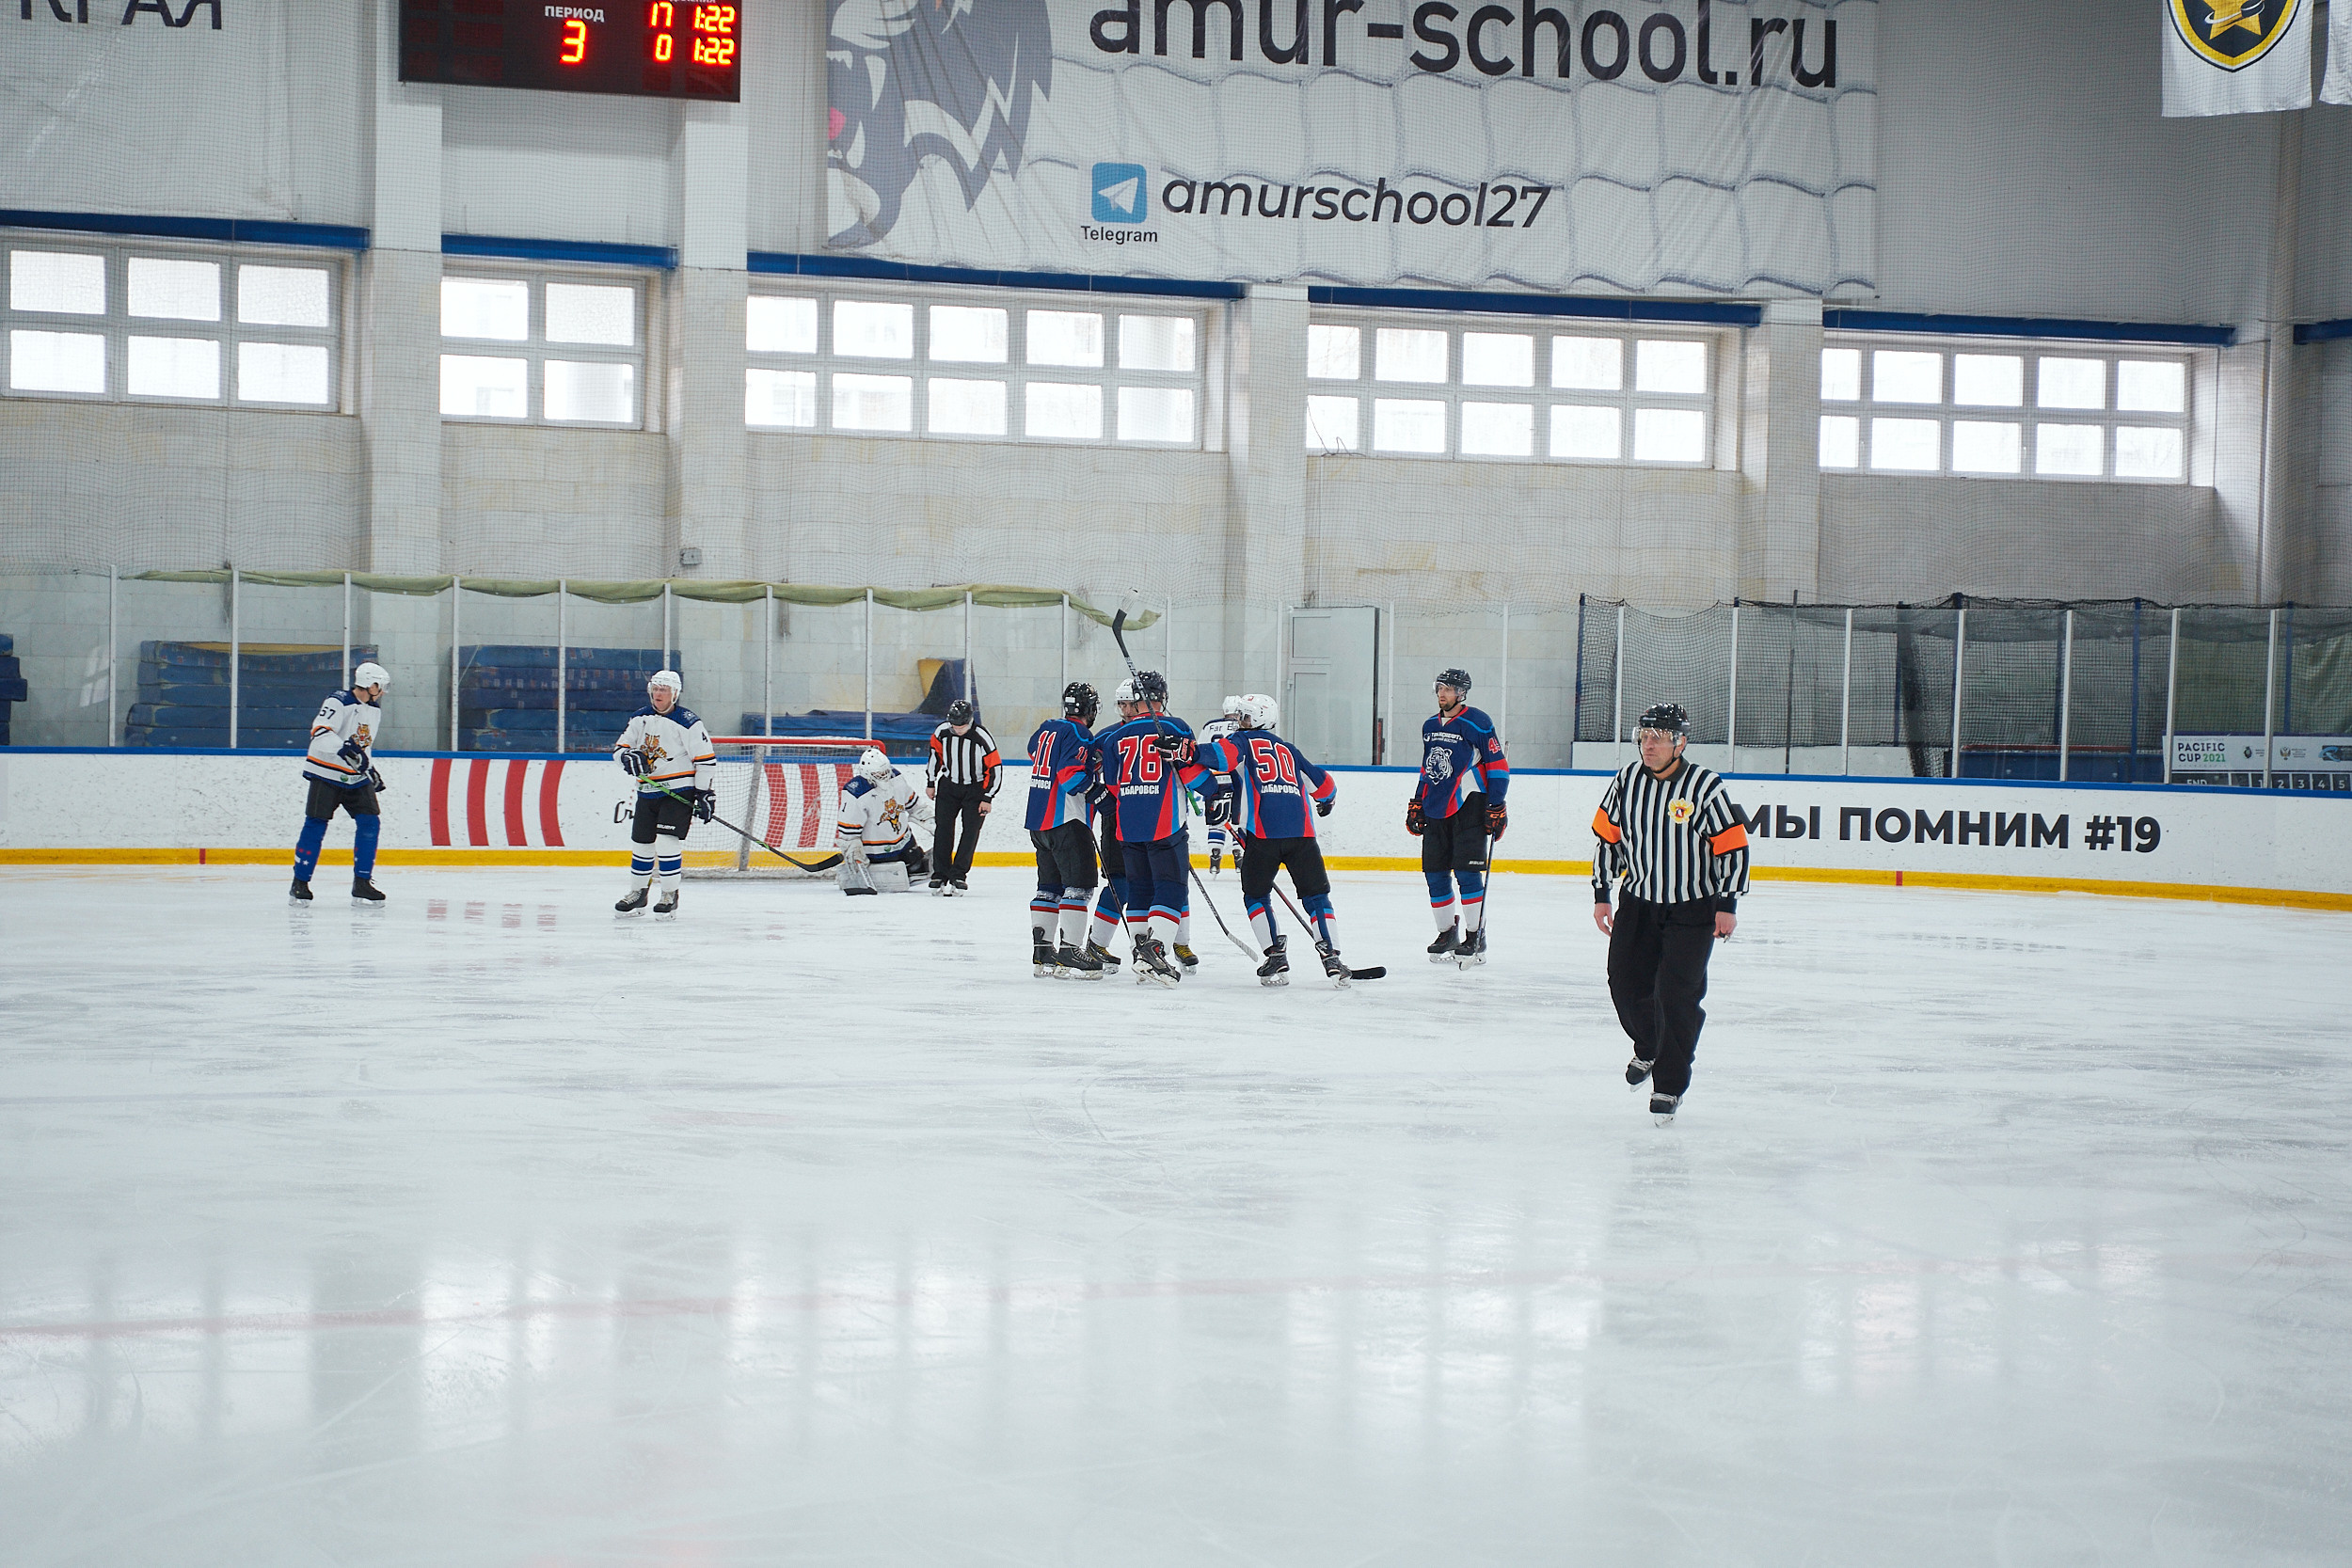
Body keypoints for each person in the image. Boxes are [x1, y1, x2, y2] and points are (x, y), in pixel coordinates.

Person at [1591, 701, 1751, 1125]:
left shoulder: (1704, 786)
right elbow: (1609, 839)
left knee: (1676, 997)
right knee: (1625, 984)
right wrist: (1602, 892)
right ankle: (1648, 1045)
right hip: (1638, 904)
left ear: (1680, 742)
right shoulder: (1626, 781)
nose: (1649, 745)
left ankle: (1669, 1084)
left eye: (1658, 737)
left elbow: (1732, 846)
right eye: (1644, 737)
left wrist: (1727, 903)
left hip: (1692, 911)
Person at [1191, 693, 1346, 986]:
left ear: (1259, 718)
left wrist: (1190, 752)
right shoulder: (1289, 750)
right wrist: (1327, 802)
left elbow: (1220, 757)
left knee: (1256, 895)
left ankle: (1275, 955)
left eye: (1245, 716)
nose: (1240, 721)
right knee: (1317, 897)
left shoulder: (1242, 742)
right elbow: (1324, 785)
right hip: (1303, 837)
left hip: (1263, 837)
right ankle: (1333, 955)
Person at [1089, 671, 1200, 986]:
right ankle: (1154, 949)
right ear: (1162, 698)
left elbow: (1111, 784)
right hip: (1163, 821)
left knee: (1139, 889)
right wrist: (1214, 794)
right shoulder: (1174, 726)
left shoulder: (1113, 738)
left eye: (1128, 702)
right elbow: (1192, 766)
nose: (1125, 708)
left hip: (1127, 823)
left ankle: (1144, 953)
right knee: (1170, 887)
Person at [1406, 667, 1510, 969]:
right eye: (1440, 688)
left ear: (1462, 693)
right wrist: (1417, 801)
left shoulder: (1477, 721)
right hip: (1436, 807)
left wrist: (1496, 804)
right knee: (1435, 874)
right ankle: (1446, 934)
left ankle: (1476, 935)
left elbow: (1498, 764)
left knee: (1466, 874)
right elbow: (1428, 768)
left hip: (1470, 806)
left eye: (1449, 689)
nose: (1442, 694)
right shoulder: (1429, 725)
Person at [613, 670, 717, 916]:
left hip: (679, 792)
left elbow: (705, 760)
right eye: (656, 689)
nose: (658, 694)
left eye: (664, 690)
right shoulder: (640, 718)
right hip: (648, 791)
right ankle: (638, 894)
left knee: (667, 842)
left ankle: (670, 894)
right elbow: (619, 750)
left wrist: (703, 793)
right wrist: (626, 757)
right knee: (641, 844)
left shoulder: (689, 722)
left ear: (675, 694)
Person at [292, 660, 391, 903]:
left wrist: (369, 767)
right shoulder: (338, 701)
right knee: (316, 824)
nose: (384, 691)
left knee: (370, 823)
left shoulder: (374, 710)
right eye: (382, 686)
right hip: (326, 773)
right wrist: (346, 749)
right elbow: (321, 732)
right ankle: (300, 883)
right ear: (370, 683)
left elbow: (362, 744)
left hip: (355, 778)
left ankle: (362, 883)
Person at [1024, 681, 1105, 976]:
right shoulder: (1079, 732)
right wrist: (1098, 793)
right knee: (1079, 887)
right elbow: (1070, 776)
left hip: (1038, 820)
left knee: (1049, 888)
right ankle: (1071, 950)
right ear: (1090, 708)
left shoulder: (1048, 727)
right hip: (1067, 821)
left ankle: (1043, 952)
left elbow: (1034, 750)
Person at [925, 698, 999, 895]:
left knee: (970, 832)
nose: (957, 729)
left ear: (970, 720)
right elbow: (935, 757)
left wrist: (987, 797)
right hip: (949, 786)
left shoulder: (982, 736)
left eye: (962, 726)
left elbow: (995, 768)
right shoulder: (942, 732)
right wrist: (931, 782)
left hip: (975, 790)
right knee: (943, 830)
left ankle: (958, 875)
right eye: (955, 725)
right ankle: (939, 874)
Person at [835, 747, 933, 895]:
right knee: (895, 873)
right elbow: (848, 833)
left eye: (886, 771)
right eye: (879, 774)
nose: (885, 776)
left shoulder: (896, 778)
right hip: (877, 851)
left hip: (905, 842)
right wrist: (854, 851)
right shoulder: (855, 793)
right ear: (867, 774)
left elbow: (914, 805)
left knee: (918, 864)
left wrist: (931, 822)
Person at [1196, 695, 1245, 874]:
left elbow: (1198, 751)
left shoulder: (1210, 726)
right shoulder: (1243, 727)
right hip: (1237, 778)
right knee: (1238, 818)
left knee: (1217, 817)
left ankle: (1214, 854)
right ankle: (1238, 853)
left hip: (1215, 777)